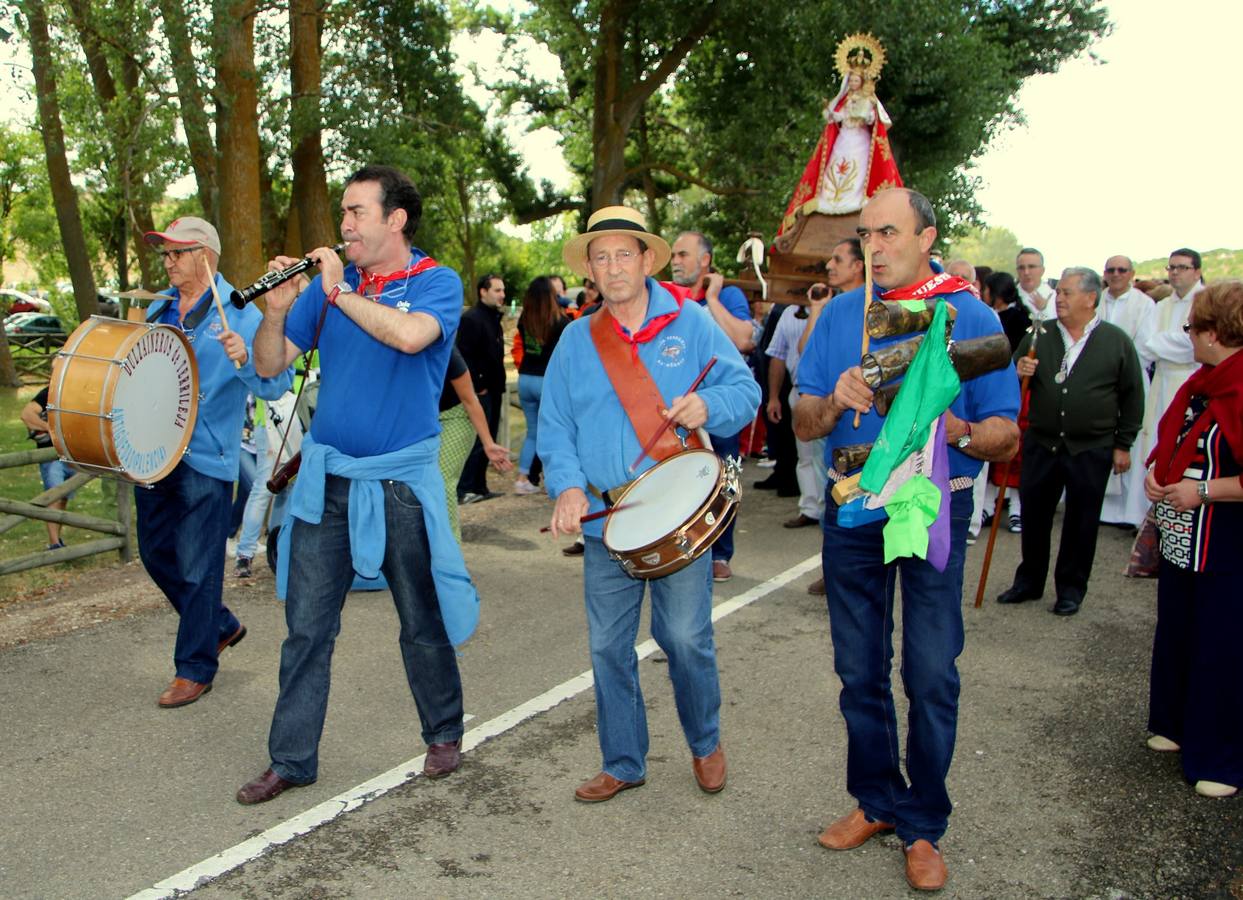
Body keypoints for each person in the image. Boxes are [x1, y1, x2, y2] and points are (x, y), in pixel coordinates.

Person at [794, 188, 1020, 892]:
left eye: (887, 232)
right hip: (853, 512)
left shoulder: (969, 315)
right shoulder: (838, 315)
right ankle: (877, 802)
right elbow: (802, 421)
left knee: (928, 674)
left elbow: (1005, 433)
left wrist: (943, 427)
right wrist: (835, 400)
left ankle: (923, 823)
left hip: (933, 512)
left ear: (925, 238)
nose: (874, 247)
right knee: (858, 672)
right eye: (865, 235)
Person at [236, 164, 477, 804]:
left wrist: (337, 293)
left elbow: (408, 337)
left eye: (357, 213)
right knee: (307, 627)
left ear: (395, 220)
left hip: (401, 482)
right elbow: (269, 366)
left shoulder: (437, 283)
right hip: (328, 482)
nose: (343, 225)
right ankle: (290, 759)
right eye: (343, 214)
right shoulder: (327, 290)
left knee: (420, 617)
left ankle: (444, 729)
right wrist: (277, 311)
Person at [538, 205, 759, 803]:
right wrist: (569, 485)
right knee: (607, 647)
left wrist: (707, 407)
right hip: (608, 519)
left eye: (623, 254)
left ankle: (705, 740)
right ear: (590, 267)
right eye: (601, 256)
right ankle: (623, 759)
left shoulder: (691, 324)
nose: (613, 267)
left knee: (684, 637)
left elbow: (745, 390)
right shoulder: (576, 338)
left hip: (678, 510)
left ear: (646, 259)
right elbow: (554, 425)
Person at [136, 216, 292, 709]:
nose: (169, 262)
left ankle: (195, 667)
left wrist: (246, 358)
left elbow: (274, 386)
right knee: (155, 552)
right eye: (165, 254)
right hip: (154, 453)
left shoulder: (241, 313)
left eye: (177, 253)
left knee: (199, 564)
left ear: (205, 256)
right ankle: (220, 624)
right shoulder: (160, 307)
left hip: (208, 457)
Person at [995, 268, 1144, 616]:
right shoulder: (1039, 335)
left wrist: (1123, 444)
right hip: (1042, 442)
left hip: (1091, 447)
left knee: (1082, 521)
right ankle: (1029, 581)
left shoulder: (1115, 340)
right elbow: (1010, 375)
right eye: (1058, 292)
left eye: (1067, 292)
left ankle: (1071, 589)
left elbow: (1132, 395)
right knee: (1034, 515)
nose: (1059, 298)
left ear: (1090, 298)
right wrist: (1019, 372)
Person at [1144, 280, 1243, 799]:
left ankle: (1222, 755)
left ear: (1215, 332)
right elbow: (1170, 443)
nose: (1189, 336)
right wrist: (1156, 476)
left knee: (1223, 644)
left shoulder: (1241, 385)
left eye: (1192, 327)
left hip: (1228, 540)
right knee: (1179, 628)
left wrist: (1202, 490)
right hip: (1184, 536)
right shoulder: (1200, 383)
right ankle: (1176, 723)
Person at [666, 230, 755, 582]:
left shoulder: (728, 295)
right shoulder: (664, 297)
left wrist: (713, 298)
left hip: (718, 409)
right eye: (673, 255)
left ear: (705, 260)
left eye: (683, 255)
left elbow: (744, 339)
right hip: (676, 412)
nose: (675, 261)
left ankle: (720, 552)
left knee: (722, 481)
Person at [779, 34, 902, 230]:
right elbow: (834, 117)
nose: (853, 83)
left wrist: (866, 115)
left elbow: (880, 121)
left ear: (862, 81)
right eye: (850, 79)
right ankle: (830, 199)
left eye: (856, 80)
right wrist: (834, 111)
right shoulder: (844, 100)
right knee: (835, 165)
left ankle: (855, 199)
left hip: (859, 139)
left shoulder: (869, 99)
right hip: (844, 137)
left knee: (858, 167)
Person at [1098, 255, 1157, 528]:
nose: (1116, 274)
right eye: (1111, 269)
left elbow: (1146, 345)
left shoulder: (1144, 304)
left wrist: (1117, 366)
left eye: (1122, 270)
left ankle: (1128, 512)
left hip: (1128, 379)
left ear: (1132, 273)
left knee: (1131, 441)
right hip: (1098, 381)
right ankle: (1101, 509)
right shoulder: (1095, 299)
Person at [1140, 249, 1206, 473]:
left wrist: (1159, 343)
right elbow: (1145, 344)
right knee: (1154, 439)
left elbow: (1192, 346)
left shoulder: (1205, 302)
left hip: (1190, 378)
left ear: (1197, 272)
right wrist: (1167, 343)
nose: (1175, 273)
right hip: (1160, 380)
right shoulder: (1161, 305)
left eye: (1182, 267)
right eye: (1171, 267)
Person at [439, 346, 512, 540]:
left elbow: (470, 400)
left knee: (441, 481)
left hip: (456, 416)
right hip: (422, 420)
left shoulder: (447, 351)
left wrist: (488, 443)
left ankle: (449, 552)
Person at [233, 391, 302, 578]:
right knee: (266, 487)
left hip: (295, 413)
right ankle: (245, 552)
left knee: (287, 485)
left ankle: (277, 548)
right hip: (274, 417)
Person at [512, 276, 569, 495]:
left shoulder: (524, 319)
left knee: (533, 432)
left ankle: (522, 478)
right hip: (547, 380)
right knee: (554, 431)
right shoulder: (560, 321)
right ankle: (552, 479)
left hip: (525, 378)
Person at [456, 273, 507, 504]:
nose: (502, 295)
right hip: (480, 391)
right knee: (478, 441)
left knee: (491, 438)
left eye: (503, 290)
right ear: (483, 292)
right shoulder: (471, 319)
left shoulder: (493, 318)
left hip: (495, 389)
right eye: (497, 290)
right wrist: (478, 385)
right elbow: (464, 356)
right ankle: (465, 488)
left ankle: (480, 485)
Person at [20, 385, 75, 549]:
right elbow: (26, 414)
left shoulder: (76, 392)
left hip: (70, 452)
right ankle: (54, 543)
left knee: (63, 496)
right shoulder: (49, 392)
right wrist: (52, 430)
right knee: (54, 495)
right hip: (51, 455)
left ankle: (57, 538)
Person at [1016, 247, 1055, 319]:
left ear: (1042, 270)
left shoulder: (1055, 298)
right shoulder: (1007, 298)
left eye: (1031, 267)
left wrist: (1044, 310)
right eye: (1021, 268)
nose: (1026, 272)